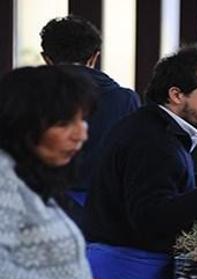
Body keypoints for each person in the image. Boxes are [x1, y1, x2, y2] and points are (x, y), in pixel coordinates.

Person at [0, 66, 154, 279]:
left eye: (82, 119)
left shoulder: (29, 180)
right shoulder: (4, 181)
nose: (81, 134)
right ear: (22, 126)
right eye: (63, 124)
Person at [85, 47, 197, 279]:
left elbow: (165, 183)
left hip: (126, 263)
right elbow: (150, 216)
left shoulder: (153, 128)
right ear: (176, 95)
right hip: (125, 270)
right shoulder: (153, 141)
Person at [40, 15, 141, 227]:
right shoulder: (124, 99)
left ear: (46, 58)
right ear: (94, 57)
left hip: (37, 207)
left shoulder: (22, 96)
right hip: (103, 214)